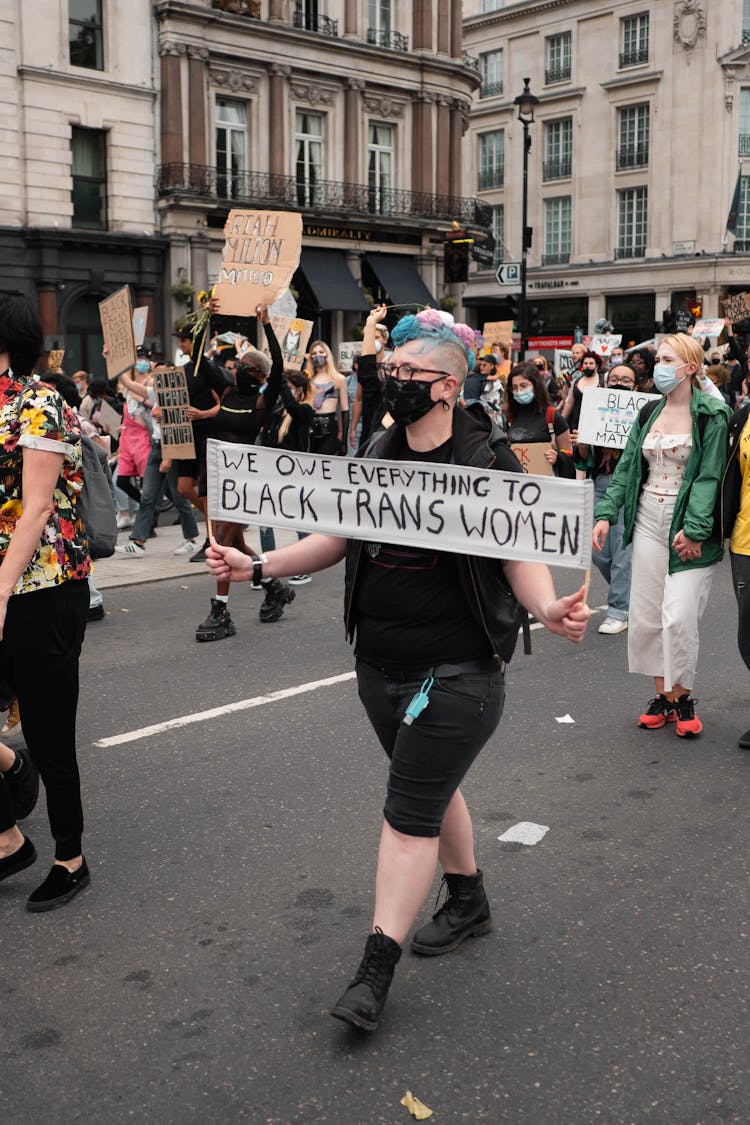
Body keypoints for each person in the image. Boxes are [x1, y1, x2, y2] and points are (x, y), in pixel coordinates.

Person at [205, 306, 590, 1031]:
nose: (394, 381)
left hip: (457, 673)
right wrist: (257, 562)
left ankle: (375, 967)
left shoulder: (487, 459)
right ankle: (468, 898)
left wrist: (546, 608)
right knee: (432, 789)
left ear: (446, 386)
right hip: (377, 666)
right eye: (392, 371)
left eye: (409, 373)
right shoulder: (380, 448)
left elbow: (519, 550)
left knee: (408, 811)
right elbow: (336, 537)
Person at [0, 290, 91, 911]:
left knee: (50, 726)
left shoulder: (40, 403)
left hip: (42, 586)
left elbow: (35, 508)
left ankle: (69, 857)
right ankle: (10, 833)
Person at [592, 333, 731, 737]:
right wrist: (605, 513)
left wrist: (696, 530)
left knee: (680, 616)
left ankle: (684, 697)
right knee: (649, 615)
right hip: (647, 519)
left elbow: (709, 477)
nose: (658, 366)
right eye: (658, 359)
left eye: (667, 359)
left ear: (690, 367)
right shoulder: (648, 412)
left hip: (689, 525)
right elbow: (628, 468)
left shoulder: (711, 414)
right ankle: (665, 699)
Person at [575, 364, 636, 635]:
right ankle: (633, 597)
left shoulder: (644, 412)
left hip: (628, 487)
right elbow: (584, 457)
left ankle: (619, 610)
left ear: (635, 386)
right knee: (598, 552)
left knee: (623, 552)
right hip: (599, 484)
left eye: (626, 379)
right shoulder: (594, 409)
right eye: (614, 379)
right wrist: (582, 442)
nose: (620, 383)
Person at [505, 361, 573, 474]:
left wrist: (557, 457)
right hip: (517, 484)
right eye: (514, 387)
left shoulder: (551, 415)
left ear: (535, 385)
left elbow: (569, 453)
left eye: (523, 386)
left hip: (545, 485)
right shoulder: (511, 417)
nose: (518, 391)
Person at [305, 341, 349, 455]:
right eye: (314, 353)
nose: (317, 355)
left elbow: (345, 411)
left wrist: (343, 440)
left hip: (330, 428)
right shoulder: (306, 379)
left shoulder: (339, 379)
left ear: (327, 354)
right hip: (309, 426)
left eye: (321, 352)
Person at [561, 350, 602, 438]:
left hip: (595, 423)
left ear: (597, 366)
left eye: (591, 363)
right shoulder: (576, 381)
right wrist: (561, 419)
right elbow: (569, 403)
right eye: (585, 363)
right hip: (576, 421)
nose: (588, 365)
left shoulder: (602, 381)